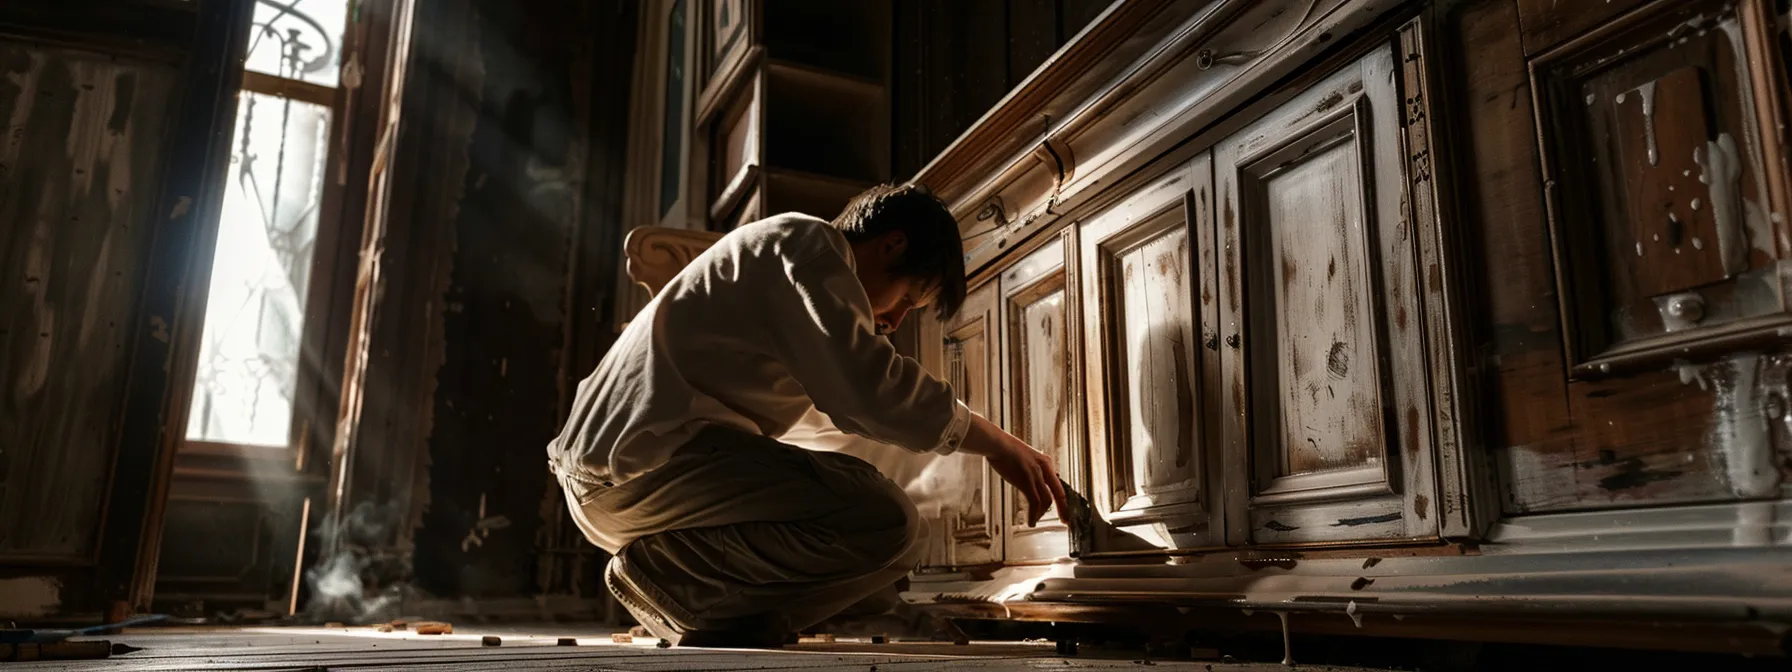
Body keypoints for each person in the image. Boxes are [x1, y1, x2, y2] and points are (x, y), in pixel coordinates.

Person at [546, 183, 1070, 648]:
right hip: (636, 468)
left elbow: (846, 426)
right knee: (884, 519)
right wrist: (1000, 444)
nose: (894, 320)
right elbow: (868, 391)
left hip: (618, 479)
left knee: (889, 552)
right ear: (892, 244)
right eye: (907, 298)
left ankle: (692, 607)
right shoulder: (810, 244)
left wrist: (941, 481)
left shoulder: (785, 276)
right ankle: (672, 579)